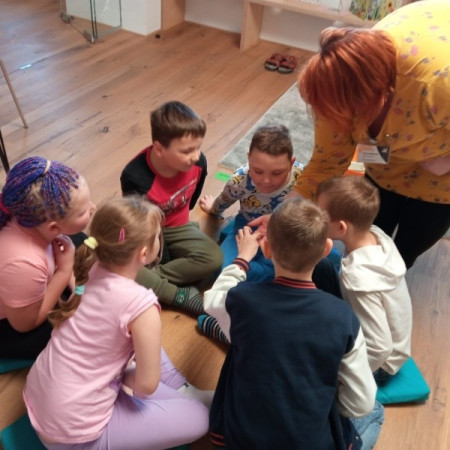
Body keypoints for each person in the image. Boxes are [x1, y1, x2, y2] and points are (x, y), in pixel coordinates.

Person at [24, 196, 210, 450]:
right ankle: (184, 394)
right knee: (200, 417)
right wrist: (125, 377)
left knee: (144, 345)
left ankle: (184, 390)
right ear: (144, 253)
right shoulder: (142, 306)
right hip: (72, 437)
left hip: (40, 397)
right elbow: (145, 387)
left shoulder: (90, 267)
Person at [203, 198, 383, 450]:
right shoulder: (343, 317)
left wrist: (242, 258)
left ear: (266, 249)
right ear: (327, 249)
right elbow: (360, 402)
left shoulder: (241, 300)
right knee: (375, 410)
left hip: (238, 439)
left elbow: (212, 300)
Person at [292, 0, 450, 269]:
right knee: (369, 233)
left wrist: (445, 162)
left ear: (382, 94)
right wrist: (286, 211)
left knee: (408, 248)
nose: (338, 121)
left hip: (441, 178)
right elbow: (327, 161)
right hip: (388, 156)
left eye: (349, 114)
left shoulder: (437, 85)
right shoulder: (333, 89)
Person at [198, 124, 341, 343]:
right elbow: (223, 201)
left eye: (277, 173)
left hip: (287, 230)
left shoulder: (303, 178)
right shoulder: (239, 179)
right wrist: (213, 209)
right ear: (248, 159)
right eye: (258, 171)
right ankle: (273, 280)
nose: (266, 181)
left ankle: (269, 280)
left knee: (317, 263)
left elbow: (313, 213)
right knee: (223, 269)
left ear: (291, 163)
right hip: (247, 227)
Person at [120, 101, 222, 315]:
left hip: (177, 226)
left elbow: (191, 200)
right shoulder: (135, 176)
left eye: (198, 147)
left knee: (214, 259)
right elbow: (138, 222)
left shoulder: (198, 163)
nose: (196, 156)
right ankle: (176, 294)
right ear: (159, 148)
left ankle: (152, 282)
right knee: (116, 260)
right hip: (148, 231)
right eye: (187, 151)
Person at [316, 175, 412, 386]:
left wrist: (348, 374)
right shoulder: (376, 234)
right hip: (380, 334)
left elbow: (380, 348)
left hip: (380, 365)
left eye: (320, 215)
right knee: (320, 264)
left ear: (342, 228)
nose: (317, 218)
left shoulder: (358, 279)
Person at [0, 156, 95, 360]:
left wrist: (75, 286)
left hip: (23, 286)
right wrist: (64, 272)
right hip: (15, 322)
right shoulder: (24, 262)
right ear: (52, 227)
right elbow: (24, 324)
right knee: (75, 327)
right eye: (83, 212)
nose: (93, 208)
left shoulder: (28, 215)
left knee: (79, 241)